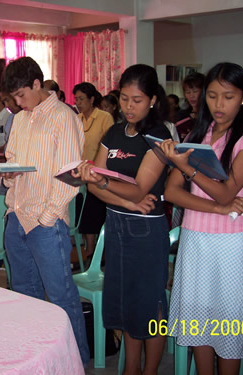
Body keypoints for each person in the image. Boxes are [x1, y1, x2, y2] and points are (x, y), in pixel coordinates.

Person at [162, 62, 243, 375]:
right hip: (194, 235)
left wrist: (187, 167)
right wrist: (218, 208)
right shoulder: (201, 132)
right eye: (212, 96)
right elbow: (172, 193)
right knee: (197, 319)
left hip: (230, 242)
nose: (218, 104)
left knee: (227, 322)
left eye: (228, 96)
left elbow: (227, 192)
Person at [76, 64, 171, 375]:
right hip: (117, 226)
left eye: (138, 100)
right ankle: (131, 367)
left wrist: (107, 186)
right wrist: (122, 198)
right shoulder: (115, 131)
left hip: (146, 230)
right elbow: (95, 185)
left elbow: (141, 187)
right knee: (128, 304)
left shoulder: (158, 136)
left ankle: (151, 369)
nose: (130, 107)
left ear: (153, 100)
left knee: (150, 303)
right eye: (126, 99)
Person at [0, 56, 90, 366]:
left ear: (38, 84)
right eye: (13, 98)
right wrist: (6, 176)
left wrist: (47, 218)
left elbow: (69, 176)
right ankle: (38, 360)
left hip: (46, 222)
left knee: (61, 296)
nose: (18, 102)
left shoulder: (64, 117)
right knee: (24, 293)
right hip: (17, 216)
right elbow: (11, 159)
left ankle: (76, 362)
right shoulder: (21, 118)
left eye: (21, 95)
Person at [73, 82, 114, 256]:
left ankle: (101, 250)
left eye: (81, 99)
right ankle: (89, 248)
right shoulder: (77, 119)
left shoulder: (104, 117)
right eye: (76, 99)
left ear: (91, 99)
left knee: (95, 209)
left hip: (99, 171)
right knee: (83, 211)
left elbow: (111, 146)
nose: (78, 103)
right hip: (80, 171)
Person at [177, 72, 205, 141]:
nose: (191, 96)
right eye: (188, 92)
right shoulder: (182, 116)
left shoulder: (208, 117)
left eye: (195, 91)